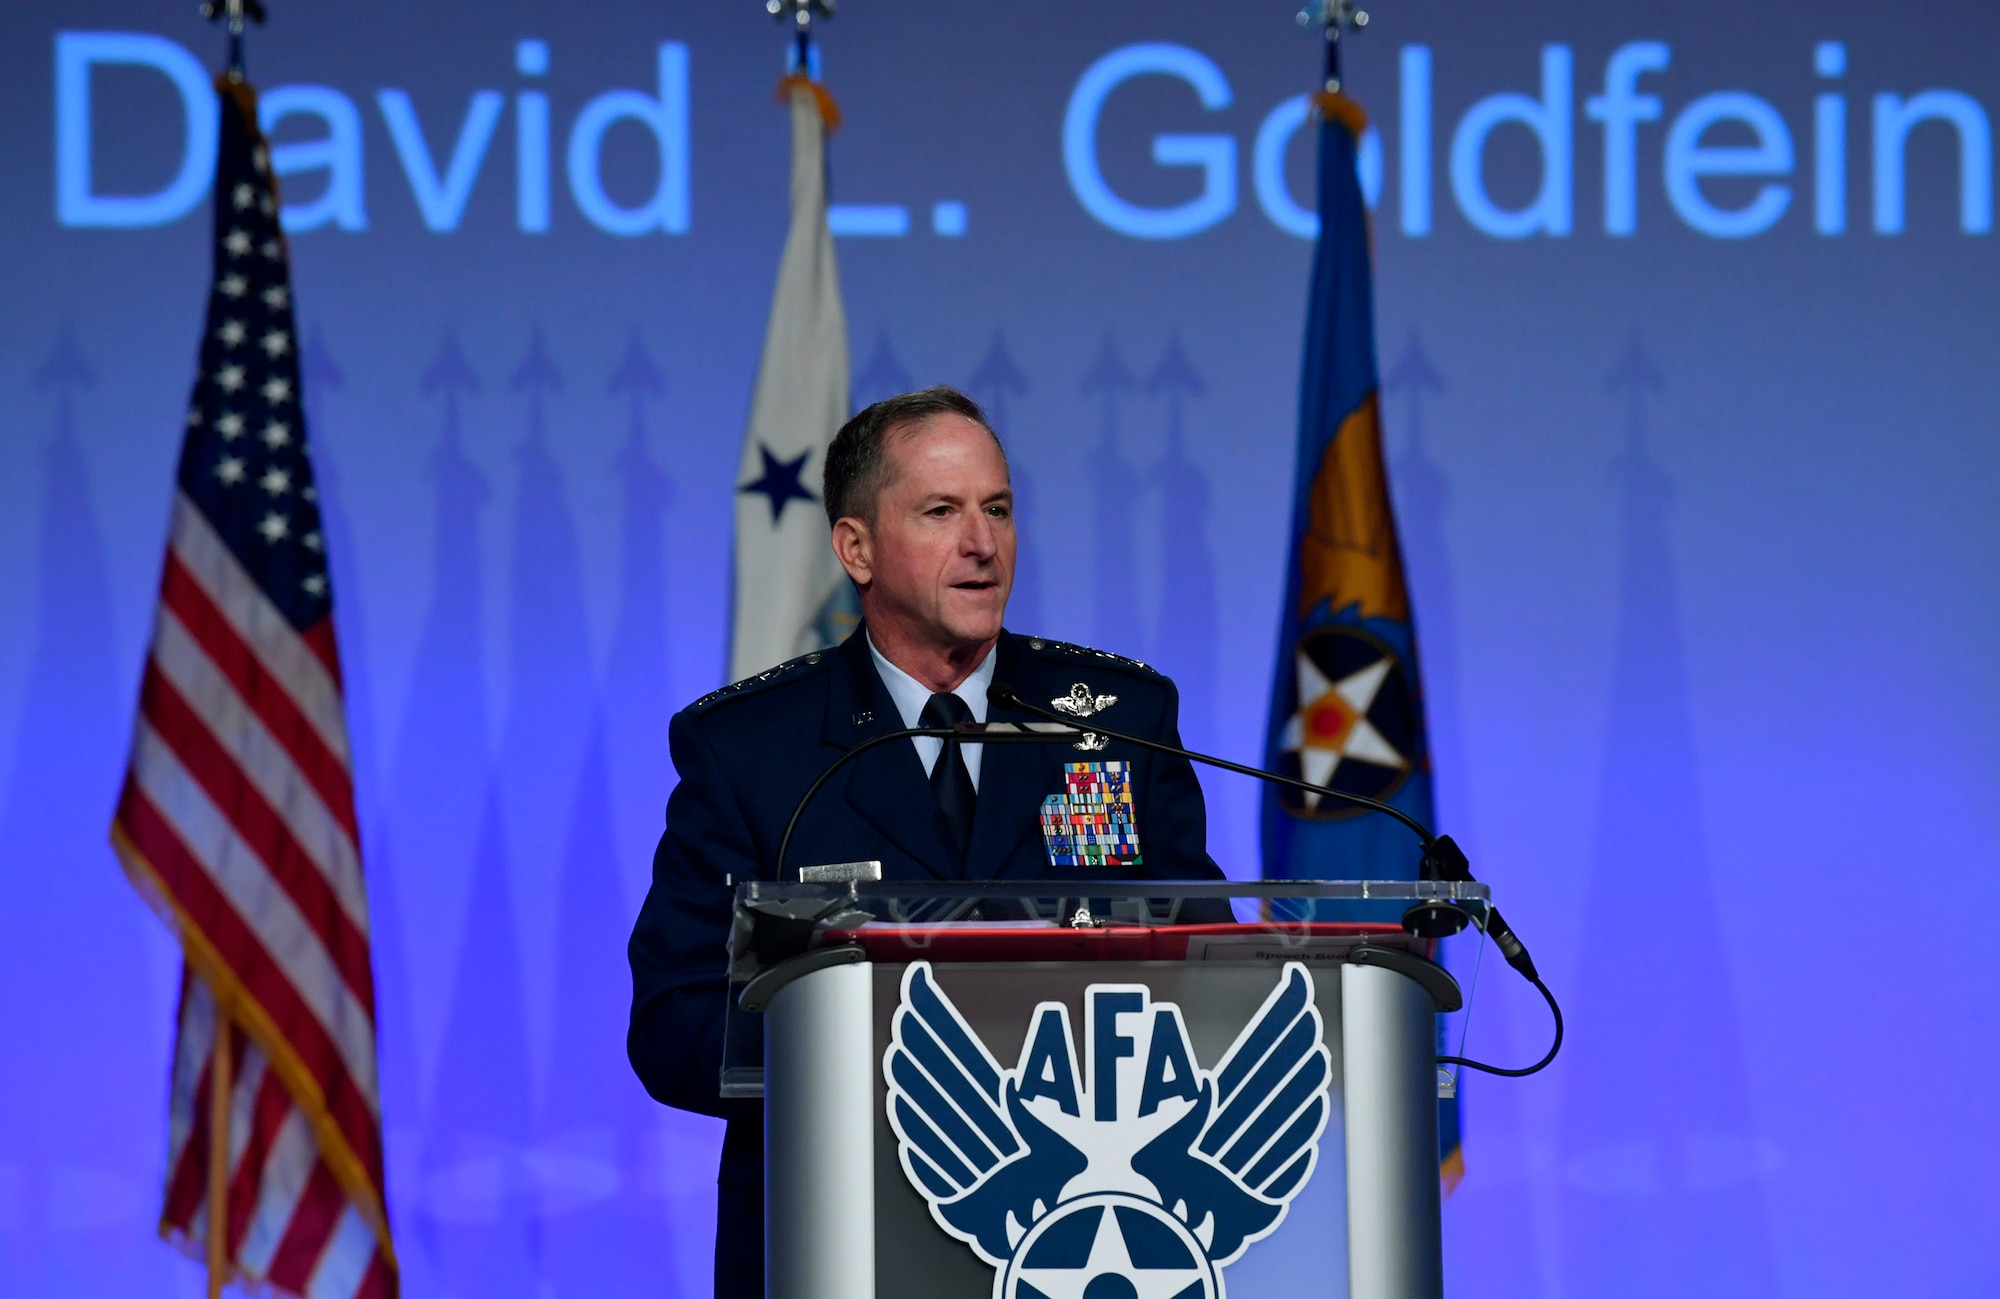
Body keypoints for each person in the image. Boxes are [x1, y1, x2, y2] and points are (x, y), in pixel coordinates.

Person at [626, 386, 1225, 1298]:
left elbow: (1208, 969)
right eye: (942, 512)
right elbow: (672, 1022)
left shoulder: (1122, 719)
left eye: (998, 509)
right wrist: (871, 1054)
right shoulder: (752, 749)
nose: (982, 543)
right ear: (855, 548)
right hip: (834, 1236)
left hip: (1078, 1232)